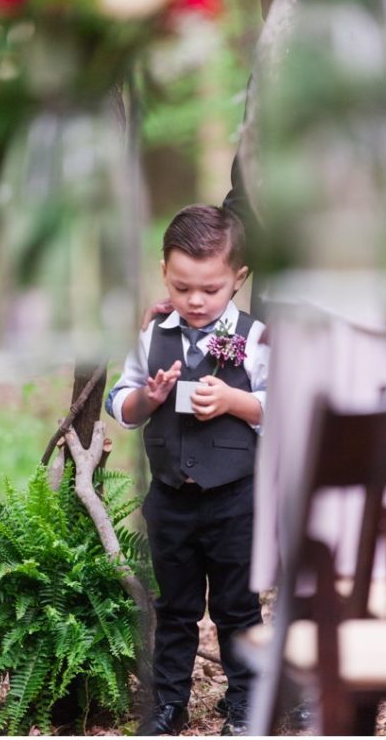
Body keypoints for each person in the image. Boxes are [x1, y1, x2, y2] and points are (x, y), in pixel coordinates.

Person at [106, 205, 269, 736]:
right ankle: (168, 703)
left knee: (237, 607)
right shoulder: (153, 335)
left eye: (211, 289)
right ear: (164, 275)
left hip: (235, 500)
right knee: (172, 607)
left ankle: (245, 703)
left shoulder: (254, 337)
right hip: (171, 498)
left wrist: (233, 401)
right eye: (182, 288)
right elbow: (120, 402)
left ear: (238, 280)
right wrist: (146, 400)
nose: (196, 301)